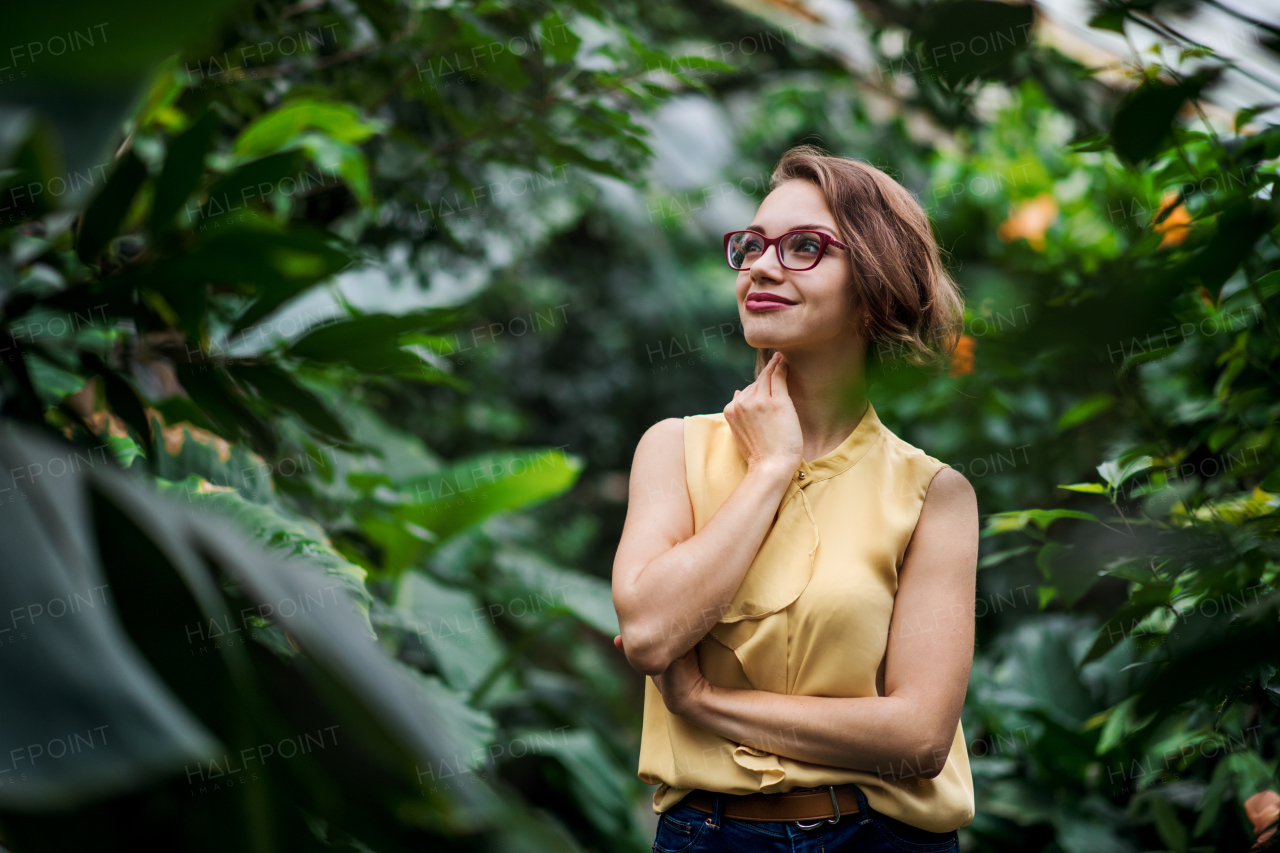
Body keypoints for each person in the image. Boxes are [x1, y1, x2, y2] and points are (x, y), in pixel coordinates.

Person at [610, 145, 979, 852]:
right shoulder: (673, 449)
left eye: (804, 246)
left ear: (875, 284)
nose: (762, 266)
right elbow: (652, 633)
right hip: (708, 836)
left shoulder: (933, 495)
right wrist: (771, 468)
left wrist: (706, 703)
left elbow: (920, 736)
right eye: (752, 245)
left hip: (882, 838)